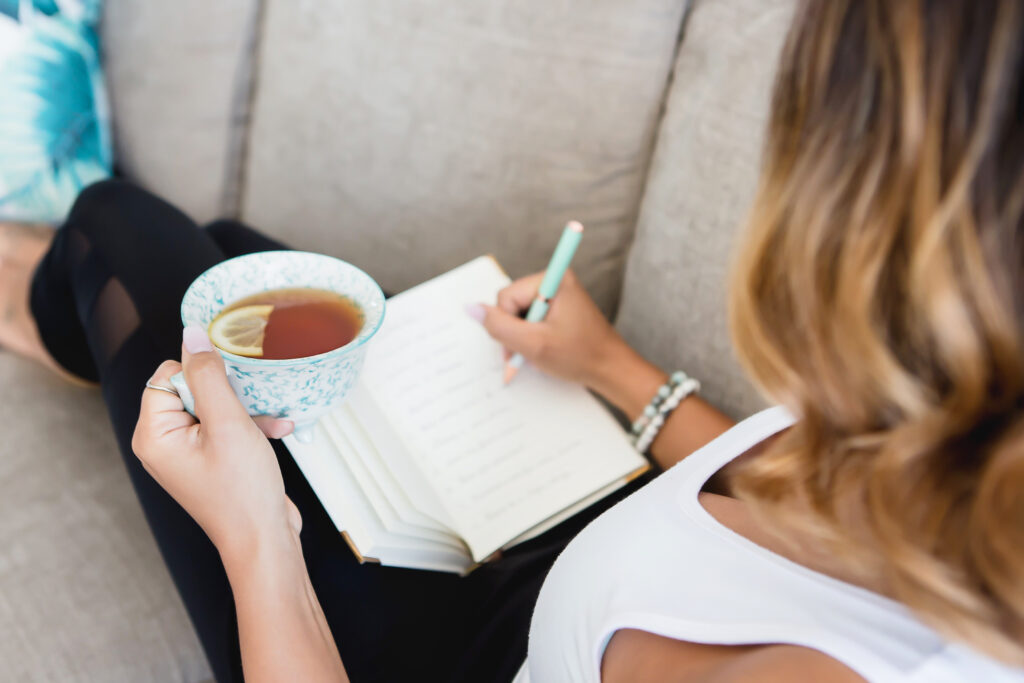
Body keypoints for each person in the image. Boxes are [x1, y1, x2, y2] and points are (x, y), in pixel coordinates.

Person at [2, 0, 1023, 680]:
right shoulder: (957, 421)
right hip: (535, 564)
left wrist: (252, 532)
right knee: (231, 260)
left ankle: (48, 313)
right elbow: (784, 521)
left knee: (114, 235)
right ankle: (78, 324)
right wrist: (613, 368)